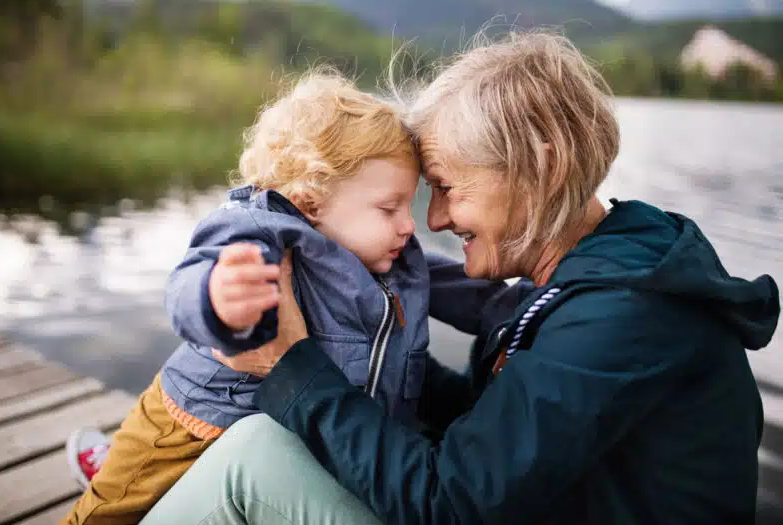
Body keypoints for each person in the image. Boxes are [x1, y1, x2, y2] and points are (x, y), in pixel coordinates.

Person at [139, 30, 780, 525]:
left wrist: (291, 365)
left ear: (540, 169)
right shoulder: (607, 273)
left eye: (446, 188)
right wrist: (382, 366)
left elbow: (453, 504)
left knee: (252, 459)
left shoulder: (625, 316)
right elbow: (505, 428)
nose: (435, 219)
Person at [61, 69, 522, 525]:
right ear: (312, 201)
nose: (409, 223)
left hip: (296, 434)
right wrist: (217, 299)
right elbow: (189, 281)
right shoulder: (263, 233)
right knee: (111, 508)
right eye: (389, 208)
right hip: (189, 427)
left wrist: (532, 305)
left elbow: (470, 293)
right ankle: (110, 472)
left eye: (408, 204)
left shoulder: (395, 256)